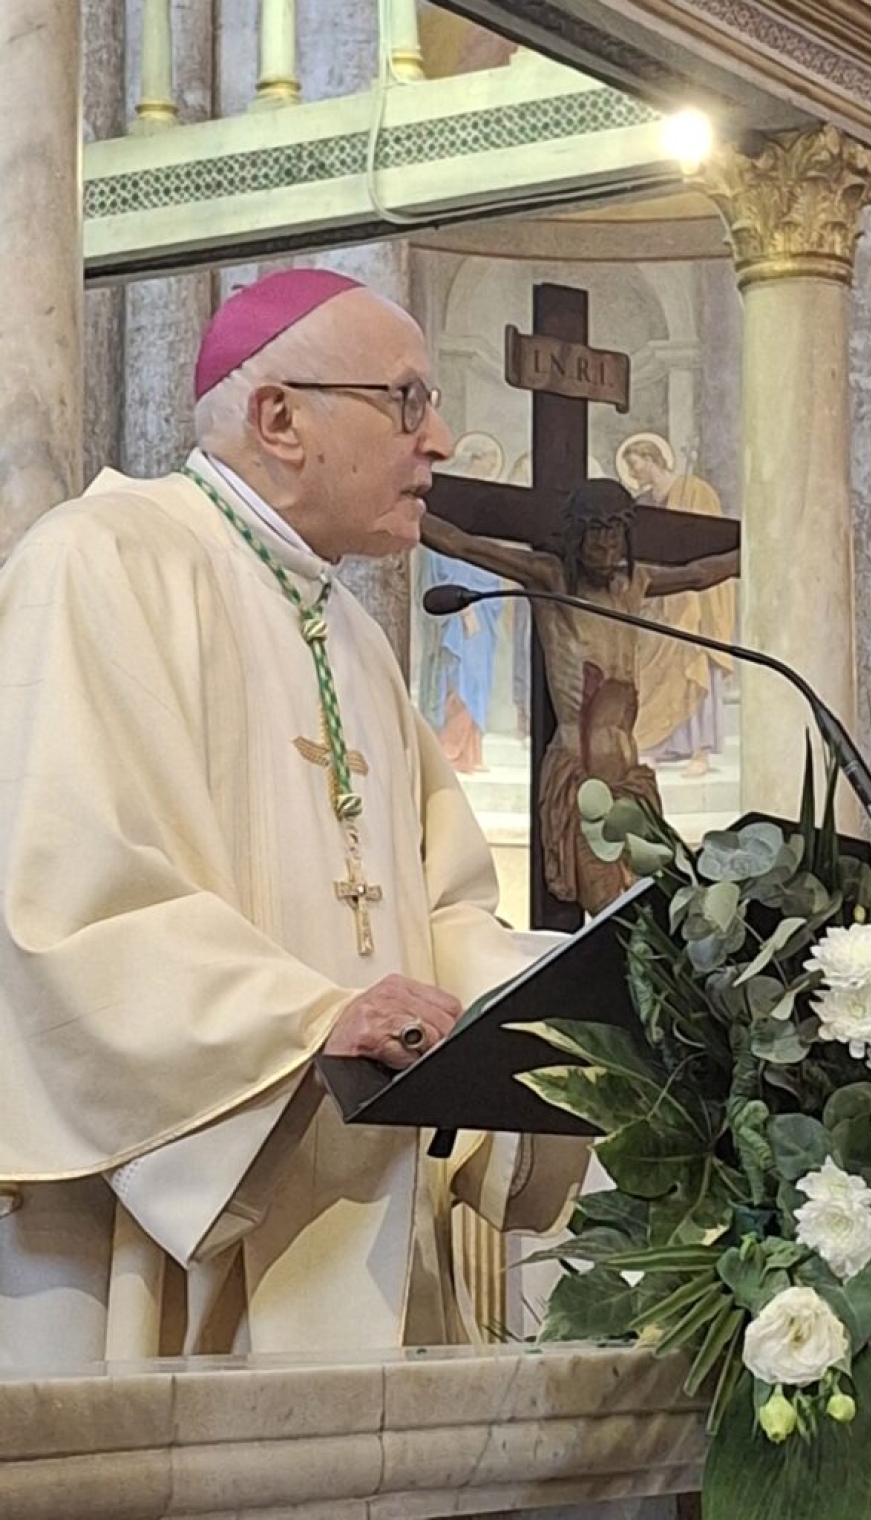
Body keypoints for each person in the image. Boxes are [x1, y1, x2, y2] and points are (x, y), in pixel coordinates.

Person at [0, 269, 583, 1368]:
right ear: (280, 417)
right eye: (409, 399)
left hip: (364, 1220)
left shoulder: (352, 635)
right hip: (169, 1219)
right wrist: (306, 1017)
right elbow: (60, 900)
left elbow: (443, 901)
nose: (442, 437)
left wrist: (565, 1015)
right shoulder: (101, 561)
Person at [421, 479, 739, 914]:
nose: (606, 548)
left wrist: (754, 552)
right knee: (613, 914)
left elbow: (700, 575)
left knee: (651, 910)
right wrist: (394, 505)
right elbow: (465, 546)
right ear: (576, 534)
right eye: (595, 534)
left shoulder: (634, 583)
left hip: (630, 777)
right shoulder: (552, 578)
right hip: (581, 775)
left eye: (614, 534)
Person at [618, 436, 737, 779]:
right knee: (653, 669)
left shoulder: (696, 492)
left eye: (635, 462)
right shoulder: (641, 503)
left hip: (695, 600)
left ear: (651, 458)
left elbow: (711, 543)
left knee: (694, 666)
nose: (632, 470)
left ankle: (699, 751)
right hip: (659, 597)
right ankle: (657, 746)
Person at [417, 432, 504, 773]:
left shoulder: (486, 521)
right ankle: (449, 750)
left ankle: (471, 753)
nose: (485, 474)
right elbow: (443, 568)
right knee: (459, 678)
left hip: (485, 615)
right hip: (461, 615)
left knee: (478, 680)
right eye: (482, 467)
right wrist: (465, 610)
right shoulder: (451, 521)